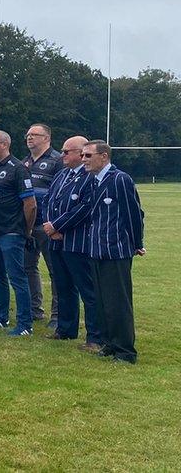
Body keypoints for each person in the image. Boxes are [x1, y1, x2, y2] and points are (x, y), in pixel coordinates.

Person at [81, 140, 144, 363]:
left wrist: (137, 242)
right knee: (102, 300)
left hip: (116, 249)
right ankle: (109, 342)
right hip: (96, 249)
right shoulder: (93, 181)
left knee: (118, 301)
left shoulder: (119, 179)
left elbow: (133, 213)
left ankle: (125, 350)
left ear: (104, 156)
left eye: (88, 156)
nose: (84, 160)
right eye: (83, 155)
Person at [42, 136, 102, 351]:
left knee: (88, 290)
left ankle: (95, 337)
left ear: (81, 153)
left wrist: (58, 225)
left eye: (67, 151)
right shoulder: (61, 175)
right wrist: (49, 225)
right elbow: (47, 200)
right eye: (63, 151)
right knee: (63, 286)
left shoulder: (90, 177)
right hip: (56, 242)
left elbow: (85, 208)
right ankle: (65, 329)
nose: (63, 155)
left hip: (77, 241)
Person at [0, 130, 37, 337]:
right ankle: (0, 317)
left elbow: (30, 204)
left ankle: (25, 324)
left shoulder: (18, 169)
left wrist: (25, 230)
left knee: (17, 277)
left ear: (4, 144)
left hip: (11, 232)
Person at [22, 123, 63, 326]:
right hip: (28, 224)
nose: (29, 138)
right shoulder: (25, 162)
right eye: (28, 135)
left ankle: (57, 316)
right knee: (28, 267)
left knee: (55, 271)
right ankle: (33, 309)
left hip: (48, 225)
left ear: (47, 138)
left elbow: (60, 194)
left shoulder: (57, 160)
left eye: (34, 135)